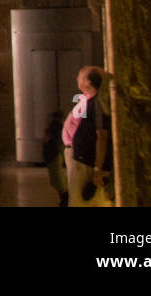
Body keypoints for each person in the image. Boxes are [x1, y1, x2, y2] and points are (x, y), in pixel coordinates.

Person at [65, 66, 111, 207]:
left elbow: (102, 136)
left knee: (81, 202)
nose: (77, 78)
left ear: (89, 82)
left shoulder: (96, 103)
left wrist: (98, 168)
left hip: (86, 162)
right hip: (80, 158)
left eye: (80, 76)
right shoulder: (89, 101)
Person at [43, 110, 68, 207]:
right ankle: (64, 198)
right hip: (56, 154)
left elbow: (47, 139)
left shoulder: (53, 126)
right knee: (58, 176)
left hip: (52, 154)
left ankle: (64, 198)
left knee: (56, 177)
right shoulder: (60, 126)